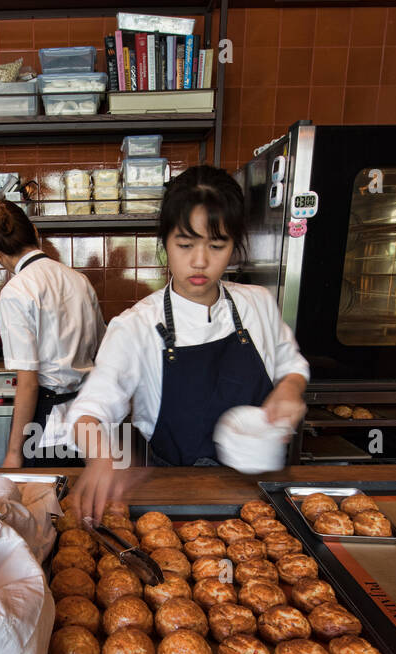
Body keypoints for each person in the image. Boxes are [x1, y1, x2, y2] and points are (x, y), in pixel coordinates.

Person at [67, 165, 310, 520]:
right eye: (185, 244)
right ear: (164, 242)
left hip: (262, 499)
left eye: (217, 245)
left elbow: (292, 365)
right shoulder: (137, 325)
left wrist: (289, 389)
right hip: (174, 503)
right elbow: (90, 410)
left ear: (235, 245)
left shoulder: (257, 303)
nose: (200, 261)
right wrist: (102, 457)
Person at [0, 198, 104, 467]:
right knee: (83, 505)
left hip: (47, 428)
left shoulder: (16, 291)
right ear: (34, 231)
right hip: (88, 417)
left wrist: (13, 452)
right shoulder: (80, 281)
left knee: (45, 505)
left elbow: (28, 382)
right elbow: (102, 350)